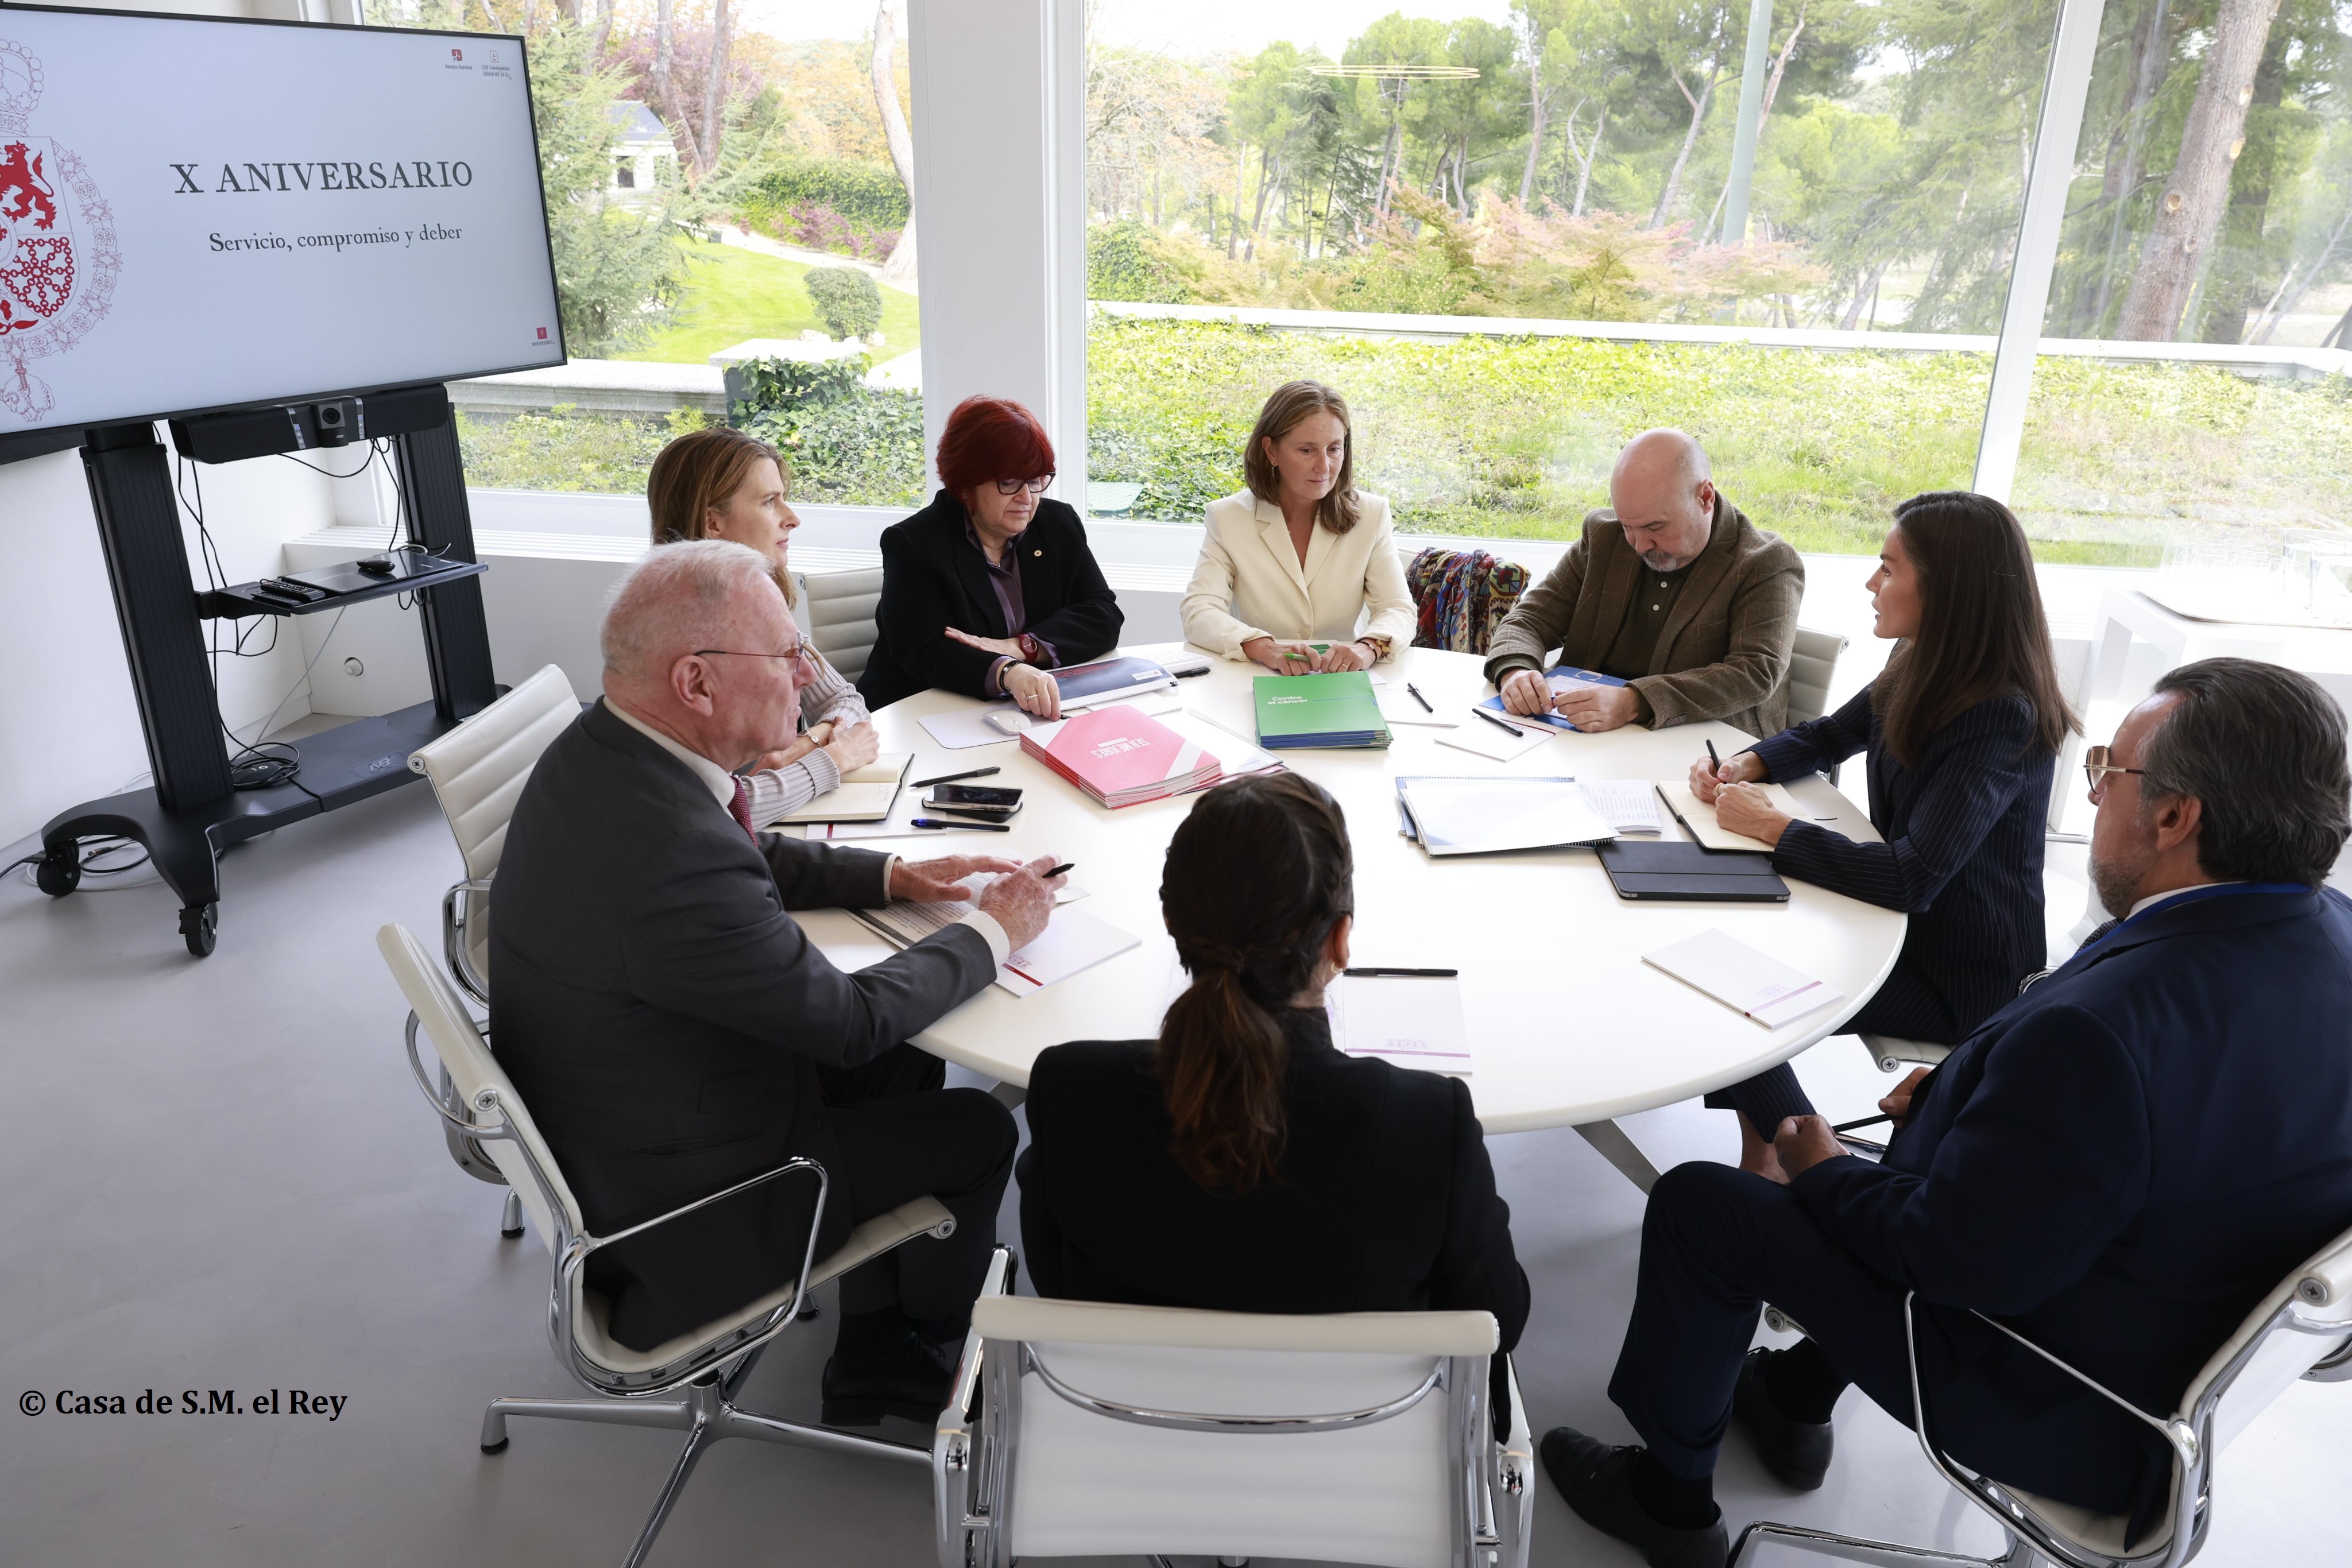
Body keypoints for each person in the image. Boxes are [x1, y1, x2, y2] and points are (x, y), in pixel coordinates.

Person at [1544, 656, 2352, 1568]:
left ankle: (1669, 1503)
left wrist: (1822, 1168)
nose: (2092, 799)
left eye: (2107, 773)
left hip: (2065, 1391)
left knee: (1704, 1203)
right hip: (2183, 1344)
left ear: (2174, 816)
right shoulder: (2332, 930)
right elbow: (2188, 1116)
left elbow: (1952, 1258)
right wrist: (1988, 1087)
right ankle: (1797, 1396)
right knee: (1922, 1147)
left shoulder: (2101, 1036)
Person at [489, 539, 1069, 1426]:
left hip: (634, 1104)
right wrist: (999, 927)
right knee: (979, 1124)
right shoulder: (670, 856)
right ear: (697, 681)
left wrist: (898, 877)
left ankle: (871, 1341)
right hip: (686, 1212)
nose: (808, 673)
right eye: (786, 654)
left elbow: (743, 849)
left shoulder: (604, 752)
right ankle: (932, 1359)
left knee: (906, 1066)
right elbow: (848, 1020)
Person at [1019, 771, 1530, 1421]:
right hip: (1358, 1464)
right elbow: (1497, 1322)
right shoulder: (1427, 1122)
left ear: (1172, 920)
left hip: (1126, 1444)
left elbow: (1059, 1283)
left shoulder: (1072, 1089)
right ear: (1340, 940)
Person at [1690, 491, 2075, 1179]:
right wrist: (1744, 763)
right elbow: (1834, 732)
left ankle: (1791, 1158)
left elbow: (1910, 877)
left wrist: (1773, 824)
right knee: (1733, 959)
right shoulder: (1922, 657)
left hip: (1956, 974)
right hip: (1889, 926)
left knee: (1738, 996)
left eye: (1888, 569)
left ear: (1948, 590)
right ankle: (1768, 1150)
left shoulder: (1999, 713)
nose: (1871, 583)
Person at [1485, 429, 1802, 735]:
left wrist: (1634, 702)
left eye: (1655, 527)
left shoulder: (1766, 562)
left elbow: (1754, 672)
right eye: (1628, 526)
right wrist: (1516, 671)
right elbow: (1529, 620)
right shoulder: (1603, 537)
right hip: (1585, 739)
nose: (1639, 545)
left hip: (1705, 750)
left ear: (1705, 497)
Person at [648, 425, 881, 823]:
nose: (793, 519)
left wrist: (802, 746)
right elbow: (711, 813)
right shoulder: (677, 640)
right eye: (770, 502)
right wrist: (833, 759)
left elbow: (847, 701)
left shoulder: (754, 601)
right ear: (714, 523)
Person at [858, 396, 1123, 718]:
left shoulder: (1057, 524)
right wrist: (1008, 672)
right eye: (1009, 482)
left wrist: (1021, 647)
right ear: (966, 484)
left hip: (1022, 711)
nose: (1027, 498)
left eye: (1036, 480)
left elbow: (1103, 614)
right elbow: (925, 650)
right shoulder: (915, 543)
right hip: (921, 714)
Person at [1179, 380, 1417, 675]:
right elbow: (1199, 609)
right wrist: (1263, 647)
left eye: (1334, 449)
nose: (1324, 467)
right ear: (1271, 451)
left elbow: (1397, 608)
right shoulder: (1228, 517)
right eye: (1306, 450)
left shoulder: (1372, 514)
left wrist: (1367, 647)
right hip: (1261, 674)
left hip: (1343, 677)